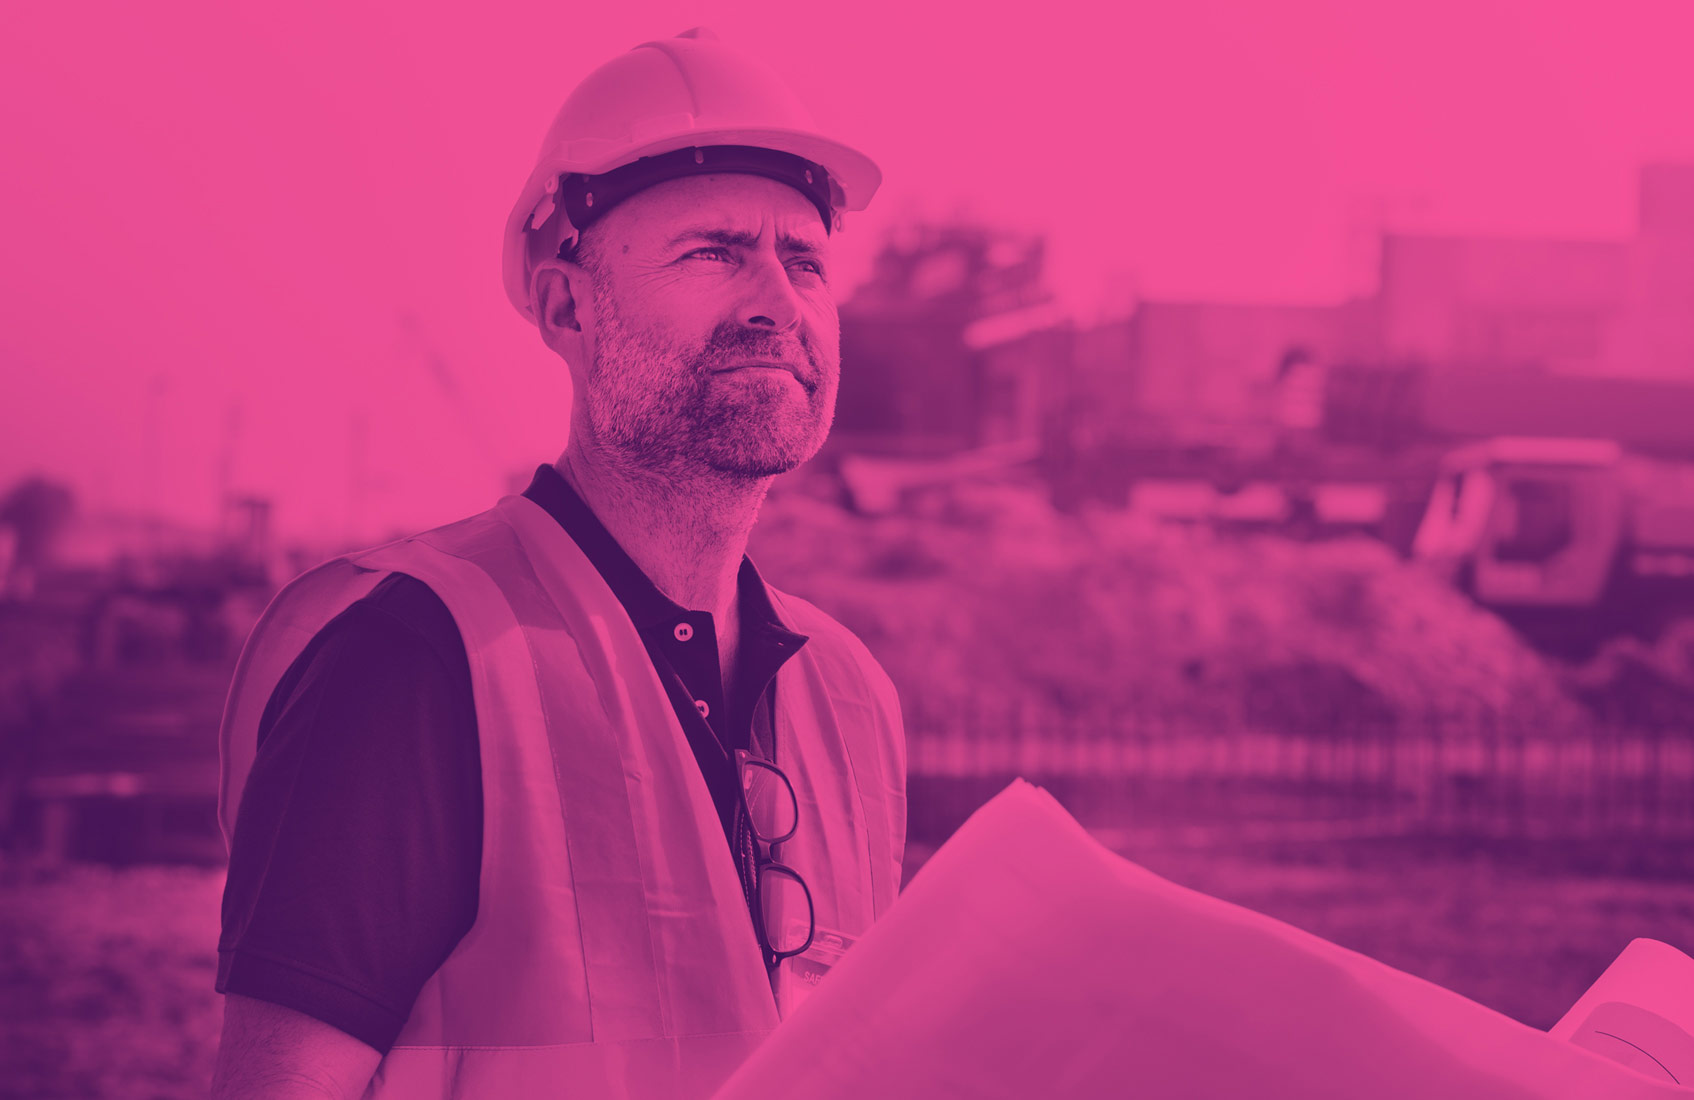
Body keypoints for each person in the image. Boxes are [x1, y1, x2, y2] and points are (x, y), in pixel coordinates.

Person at [210, 28, 905, 1100]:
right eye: (714, 250)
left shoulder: (852, 697)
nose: (777, 298)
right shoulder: (413, 659)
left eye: (804, 258)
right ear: (565, 307)